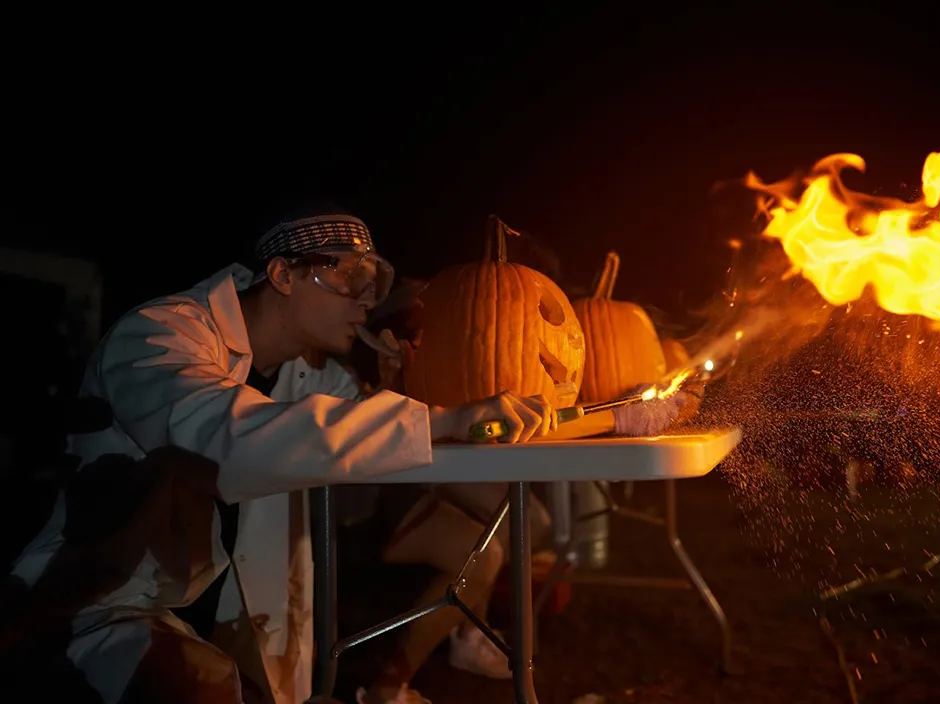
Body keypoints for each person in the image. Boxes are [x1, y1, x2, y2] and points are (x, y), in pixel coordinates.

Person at [3, 201, 559, 704]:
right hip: (92, 604)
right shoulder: (157, 338)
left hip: (217, 616)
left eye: (376, 280)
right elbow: (225, 438)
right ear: (283, 275)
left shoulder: (315, 375)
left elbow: (371, 437)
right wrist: (432, 419)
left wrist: (409, 385)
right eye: (350, 276)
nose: (368, 299)